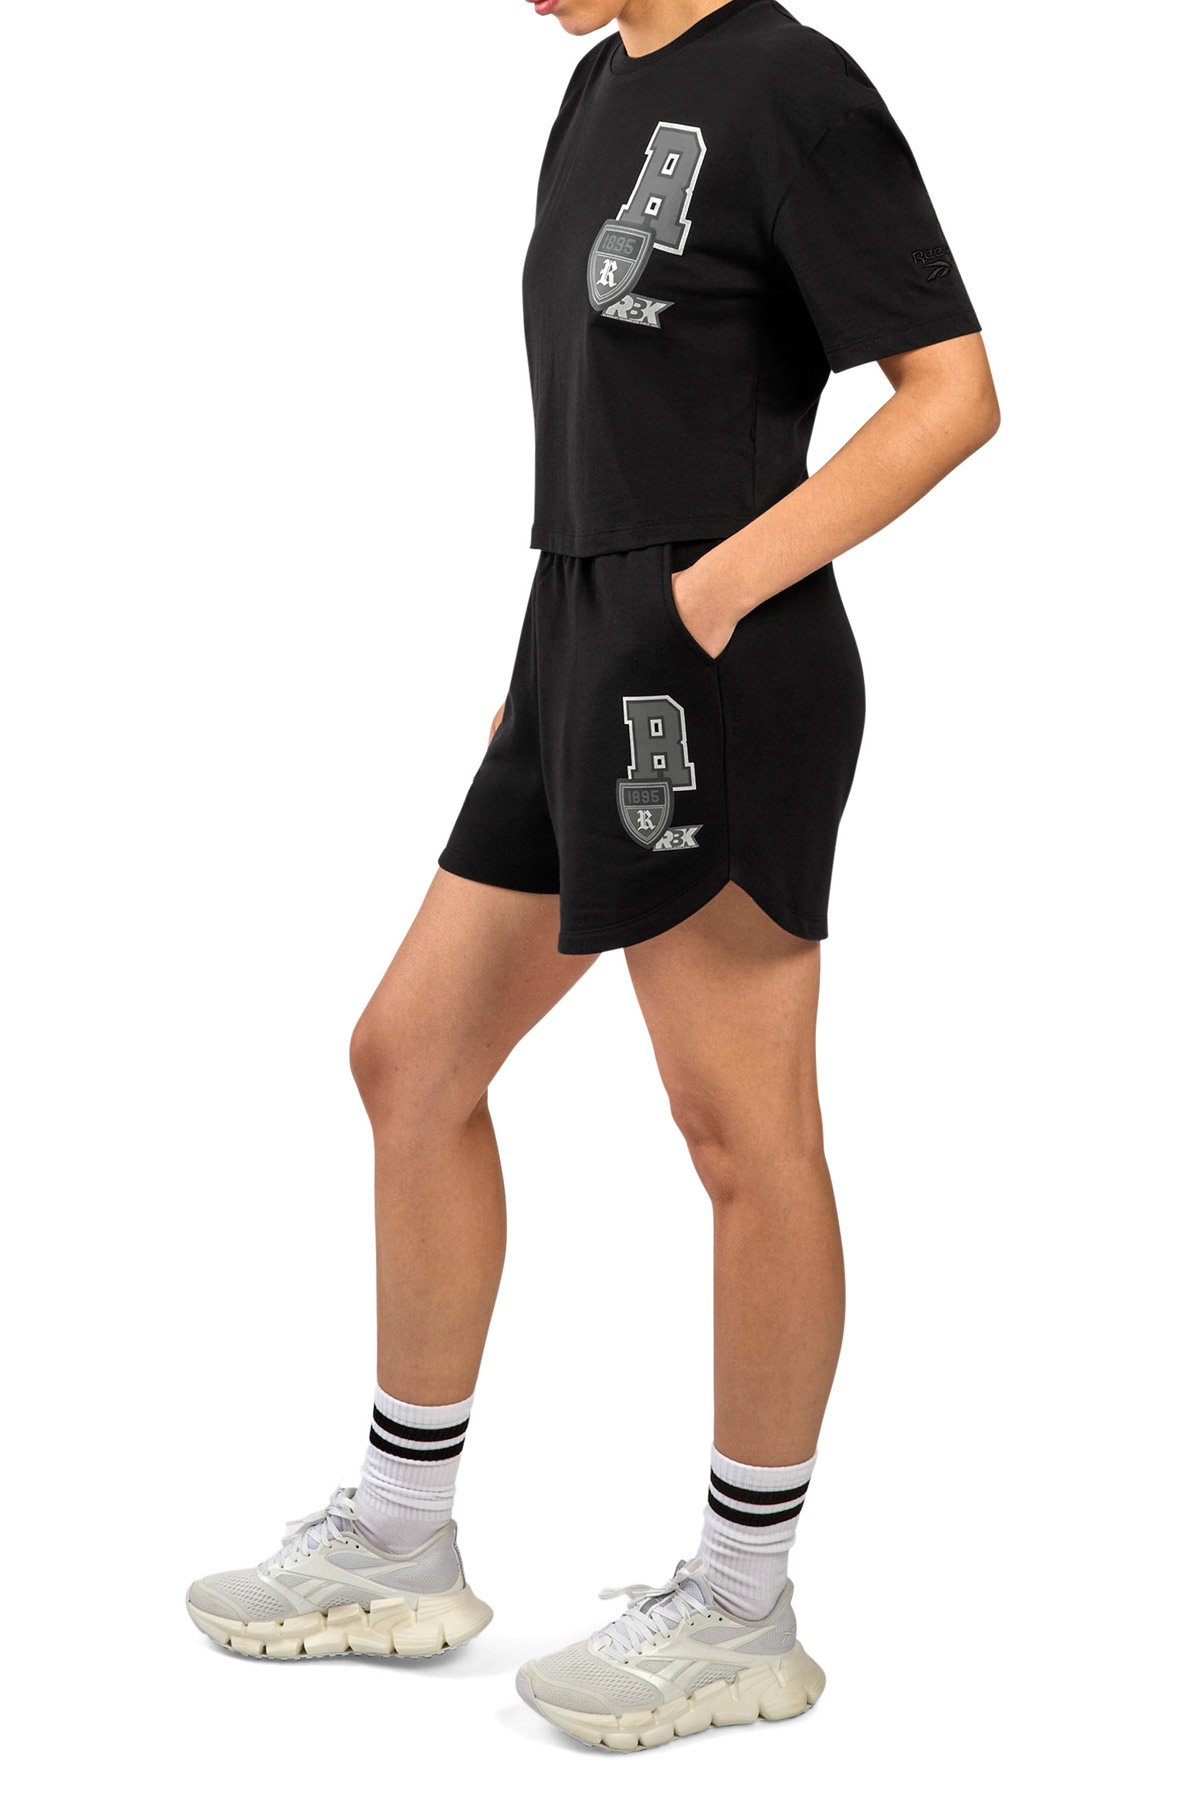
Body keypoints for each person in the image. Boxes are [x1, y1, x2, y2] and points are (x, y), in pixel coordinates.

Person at [186, 0, 998, 1752]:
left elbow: (954, 395)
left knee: (739, 1131)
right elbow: (609, 420)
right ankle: (402, 1535)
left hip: (712, 666)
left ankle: (743, 1604)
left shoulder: (792, 87)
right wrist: (553, 654)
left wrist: (702, 600)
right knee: (411, 1058)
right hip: (576, 641)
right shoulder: (596, 87)